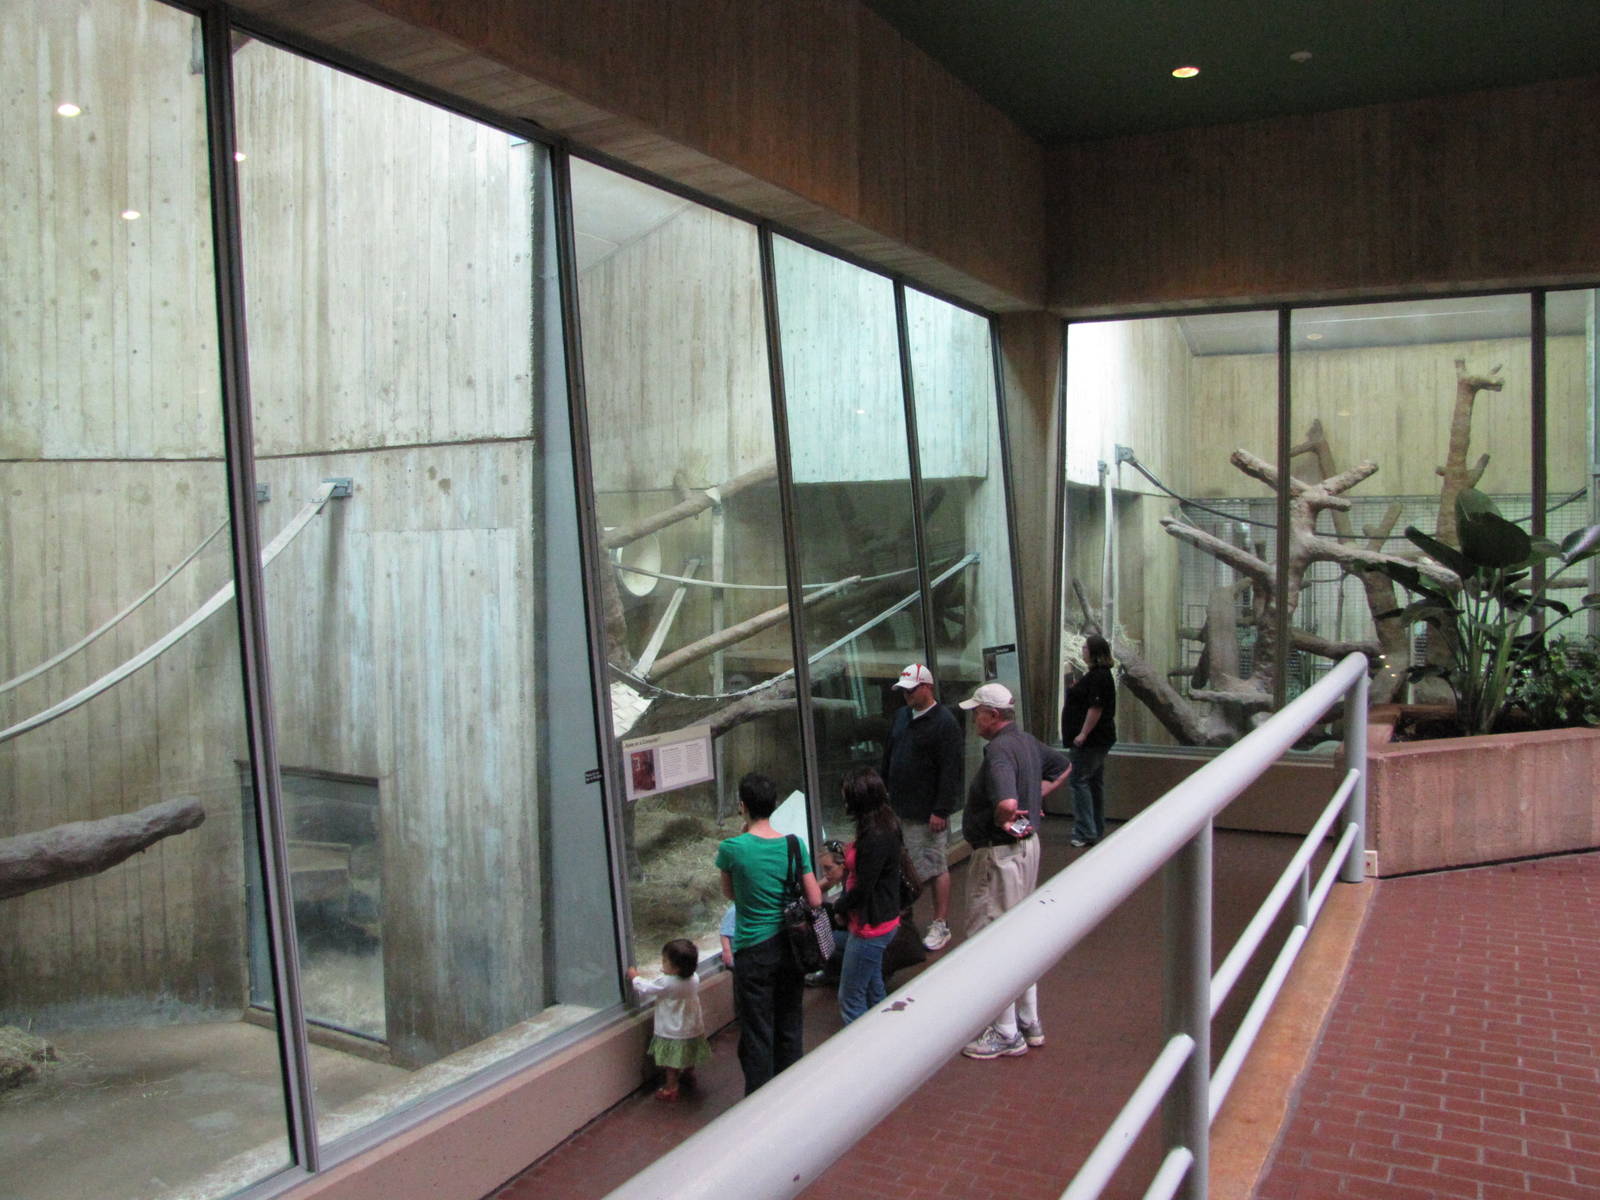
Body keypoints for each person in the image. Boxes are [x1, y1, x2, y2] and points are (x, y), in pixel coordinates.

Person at [957, 682, 1070, 1060]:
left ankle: (1005, 1032)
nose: (974, 719)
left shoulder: (999, 752)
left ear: (992, 715)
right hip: (1026, 848)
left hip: (998, 854)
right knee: (1019, 932)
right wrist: (1035, 798)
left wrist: (1004, 814)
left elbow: (1006, 801)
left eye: (977, 713)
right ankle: (1028, 1020)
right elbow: (1064, 766)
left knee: (992, 938)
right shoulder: (1026, 741)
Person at [715, 772, 823, 1095]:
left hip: (753, 950)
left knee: (757, 1031)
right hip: (790, 947)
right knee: (790, 1022)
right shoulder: (794, 844)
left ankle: (759, 1099)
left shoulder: (732, 848)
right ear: (774, 804)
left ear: (742, 806)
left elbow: (730, 894)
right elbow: (815, 898)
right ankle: (790, 1093)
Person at [881, 663, 963, 951]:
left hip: (925, 811)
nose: (907, 696)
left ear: (927, 687)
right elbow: (889, 755)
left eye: (912, 690)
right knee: (904, 865)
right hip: (898, 807)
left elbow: (950, 770)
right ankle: (902, 919)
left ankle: (940, 922)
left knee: (934, 864)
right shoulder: (902, 716)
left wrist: (941, 810)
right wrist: (883, 793)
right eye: (904, 691)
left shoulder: (945, 723)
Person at [831, 767, 904, 1024]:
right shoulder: (884, 823)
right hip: (881, 919)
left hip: (870, 926)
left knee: (850, 998)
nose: (843, 799)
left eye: (846, 794)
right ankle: (885, 1032)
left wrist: (839, 906)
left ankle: (862, 1044)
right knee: (873, 987)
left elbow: (864, 888)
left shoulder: (875, 836)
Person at [626, 938, 711, 1101]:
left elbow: (647, 987)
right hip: (691, 1027)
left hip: (672, 1030)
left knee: (670, 1063)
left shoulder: (666, 982)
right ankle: (689, 1074)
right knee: (689, 1052)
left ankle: (671, 1088)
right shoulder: (694, 978)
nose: (662, 963)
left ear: (676, 968)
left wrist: (635, 977)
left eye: (665, 961)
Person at [1061, 634, 1118, 848]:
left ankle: (1085, 831)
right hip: (1098, 739)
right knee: (1093, 781)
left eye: (1085, 648)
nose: (1082, 650)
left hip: (1091, 740)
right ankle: (1095, 826)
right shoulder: (1098, 675)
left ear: (1094, 652)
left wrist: (1083, 734)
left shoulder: (1098, 677)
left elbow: (1096, 708)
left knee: (1079, 781)